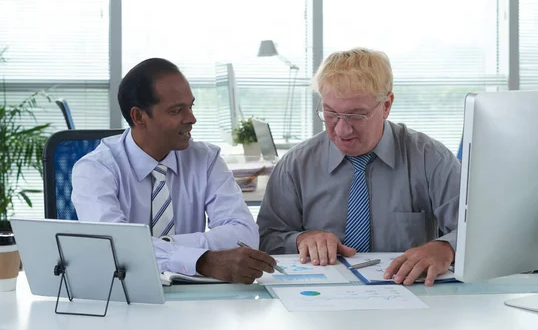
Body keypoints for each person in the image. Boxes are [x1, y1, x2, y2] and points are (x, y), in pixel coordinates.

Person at [257, 48, 460, 286]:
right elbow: (265, 238)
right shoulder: (296, 164)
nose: (342, 130)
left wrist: (446, 248)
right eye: (331, 113)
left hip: (408, 293)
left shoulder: (430, 159)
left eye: (356, 116)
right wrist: (301, 239)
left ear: (386, 106)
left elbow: (477, 232)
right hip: (320, 297)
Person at [72, 58, 276, 284]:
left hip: (194, 296)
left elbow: (244, 234)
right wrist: (202, 261)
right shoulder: (95, 169)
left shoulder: (205, 159)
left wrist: (162, 248)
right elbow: (113, 247)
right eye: (177, 110)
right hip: (122, 293)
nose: (191, 119)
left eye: (191, 106)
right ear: (139, 117)